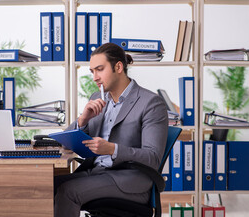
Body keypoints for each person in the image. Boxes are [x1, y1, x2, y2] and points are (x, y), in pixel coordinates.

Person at [54, 43, 168, 217]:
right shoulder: (98, 99)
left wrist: (113, 149)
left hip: (129, 180)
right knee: (45, 187)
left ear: (118, 67)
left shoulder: (150, 103)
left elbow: (152, 158)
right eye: (92, 71)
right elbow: (65, 143)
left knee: (68, 191)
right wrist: (83, 119)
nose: (95, 77)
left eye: (99, 69)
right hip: (96, 173)